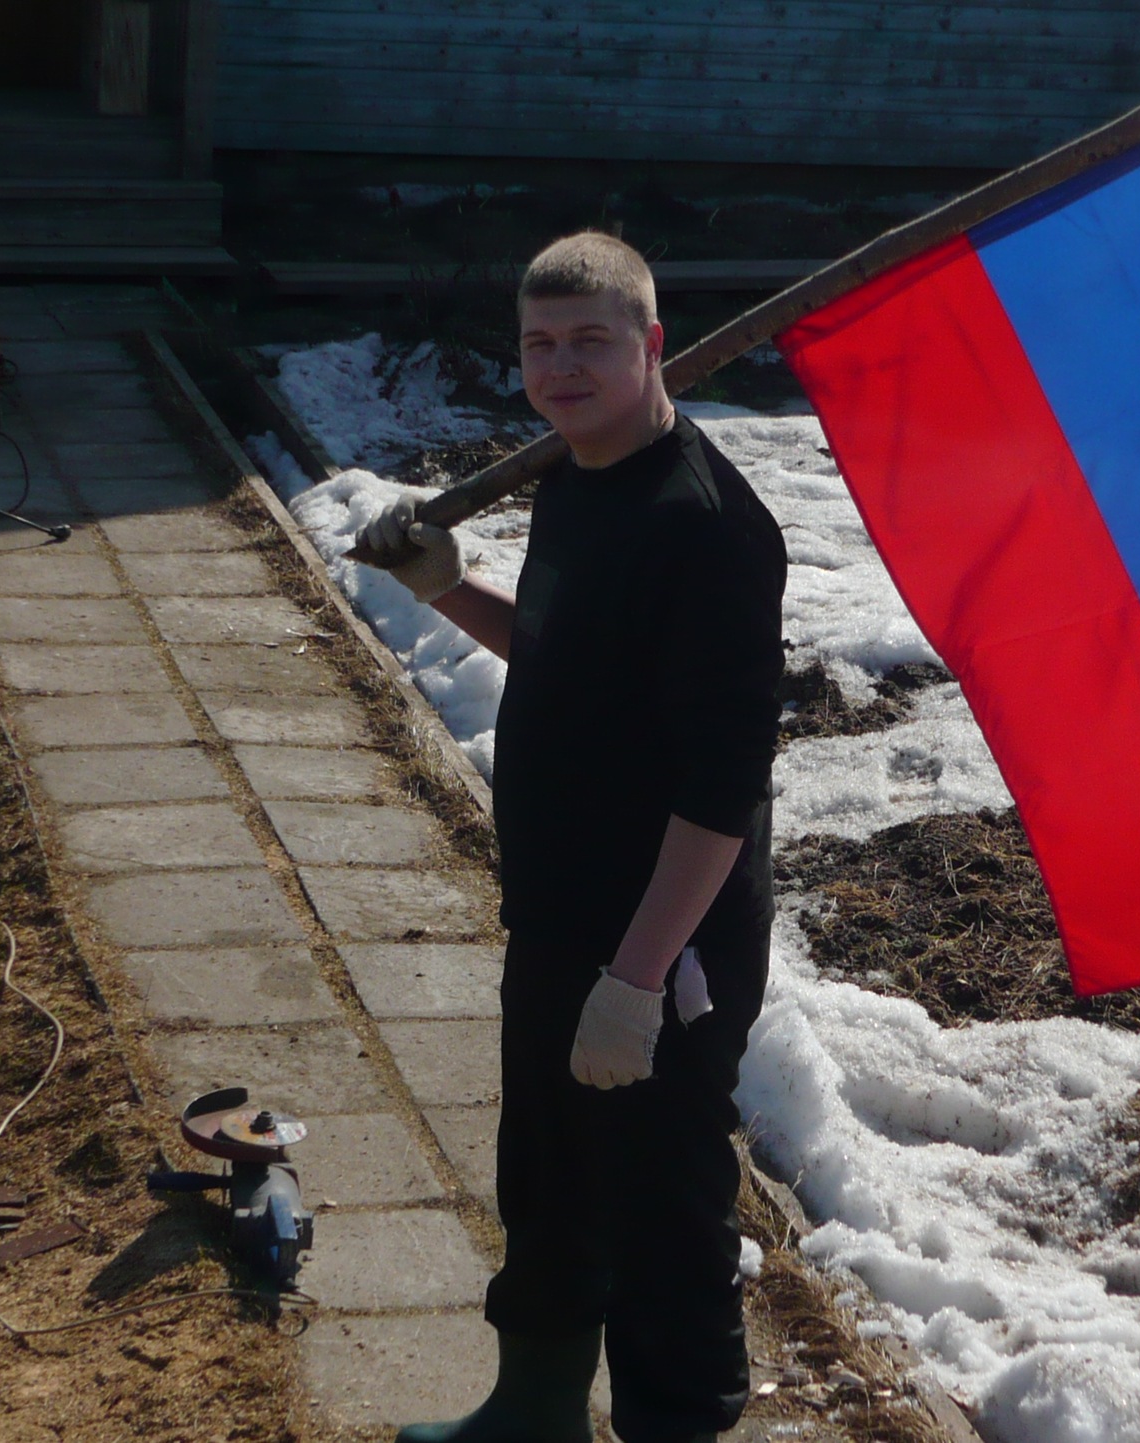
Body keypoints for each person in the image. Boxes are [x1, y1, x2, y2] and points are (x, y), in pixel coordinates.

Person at [359, 231, 787, 1443]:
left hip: (664, 938)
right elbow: (565, 657)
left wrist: (636, 980)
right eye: (539, 344)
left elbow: (721, 791)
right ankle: (532, 1412)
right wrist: (443, 587)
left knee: (662, 1203)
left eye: (591, 341)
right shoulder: (575, 476)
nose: (560, 368)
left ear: (653, 346)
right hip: (560, 908)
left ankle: (675, 1423)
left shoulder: (708, 530)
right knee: (549, 1168)